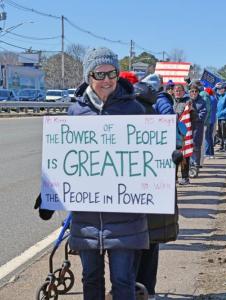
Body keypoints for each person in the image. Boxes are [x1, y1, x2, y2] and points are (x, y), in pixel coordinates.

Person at [65, 47, 149, 300]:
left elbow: (147, 152)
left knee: (123, 281)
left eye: (111, 73)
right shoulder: (76, 111)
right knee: (90, 279)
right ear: (87, 76)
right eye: (99, 74)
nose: (106, 80)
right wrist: (50, 194)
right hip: (87, 217)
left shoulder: (134, 109)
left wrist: (168, 159)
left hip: (125, 215)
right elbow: (66, 159)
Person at [135, 75, 179, 300]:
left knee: (134, 247)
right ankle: (147, 292)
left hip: (132, 191)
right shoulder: (153, 106)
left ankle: (138, 291)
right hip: (150, 190)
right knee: (149, 243)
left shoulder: (127, 109)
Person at [173, 84, 191, 185]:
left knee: (184, 156)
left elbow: (191, 116)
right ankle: (174, 177)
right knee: (174, 156)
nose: (178, 92)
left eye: (180, 90)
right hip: (172, 133)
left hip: (183, 134)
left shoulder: (187, 102)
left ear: (184, 92)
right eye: (176, 90)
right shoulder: (170, 101)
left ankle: (185, 177)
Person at [188, 83, 207, 174]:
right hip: (187, 127)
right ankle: (189, 165)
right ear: (189, 92)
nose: (194, 93)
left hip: (197, 127)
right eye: (192, 91)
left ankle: (195, 165)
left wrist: (195, 116)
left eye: (196, 91)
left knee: (196, 146)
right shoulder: (187, 101)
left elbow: (203, 114)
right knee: (187, 146)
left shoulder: (202, 101)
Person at [215, 83, 226, 152]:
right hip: (219, 117)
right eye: (219, 89)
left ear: (224, 89)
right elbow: (213, 92)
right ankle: (221, 146)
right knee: (219, 133)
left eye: (220, 89)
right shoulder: (220, 96)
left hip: (225, 117)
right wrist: (216, 87)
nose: (219, 90)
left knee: (224, 133)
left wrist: (221, 113)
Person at [204, 87, 218, 158]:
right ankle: (211, 153)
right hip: (213, 119)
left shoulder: (208, 99)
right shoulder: (214, 98)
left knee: (207, 137)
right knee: (210, 137)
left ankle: (207, 153)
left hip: (208, 120)